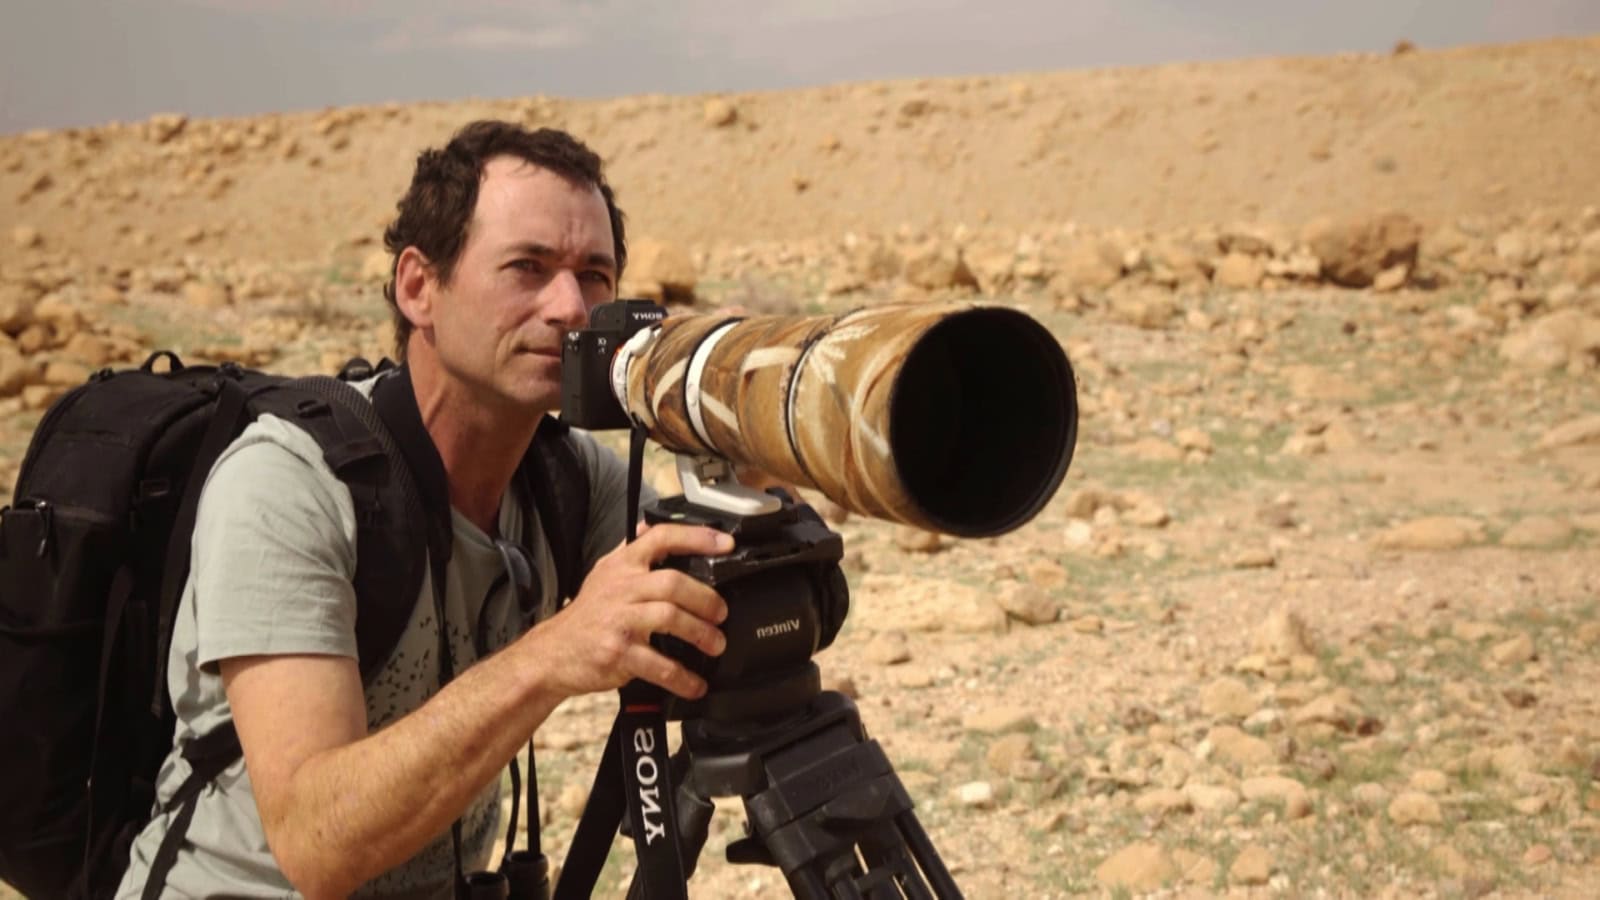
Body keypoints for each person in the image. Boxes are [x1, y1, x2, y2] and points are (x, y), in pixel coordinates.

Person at [116, 120, 733, 899]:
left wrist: (743, 434)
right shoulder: (290, 483)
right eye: (527, 267)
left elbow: (721, 587)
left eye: (595, 275)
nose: (571, 307)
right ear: (418, 287)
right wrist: (554, 654)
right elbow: (316, 844)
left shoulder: (564, 478)